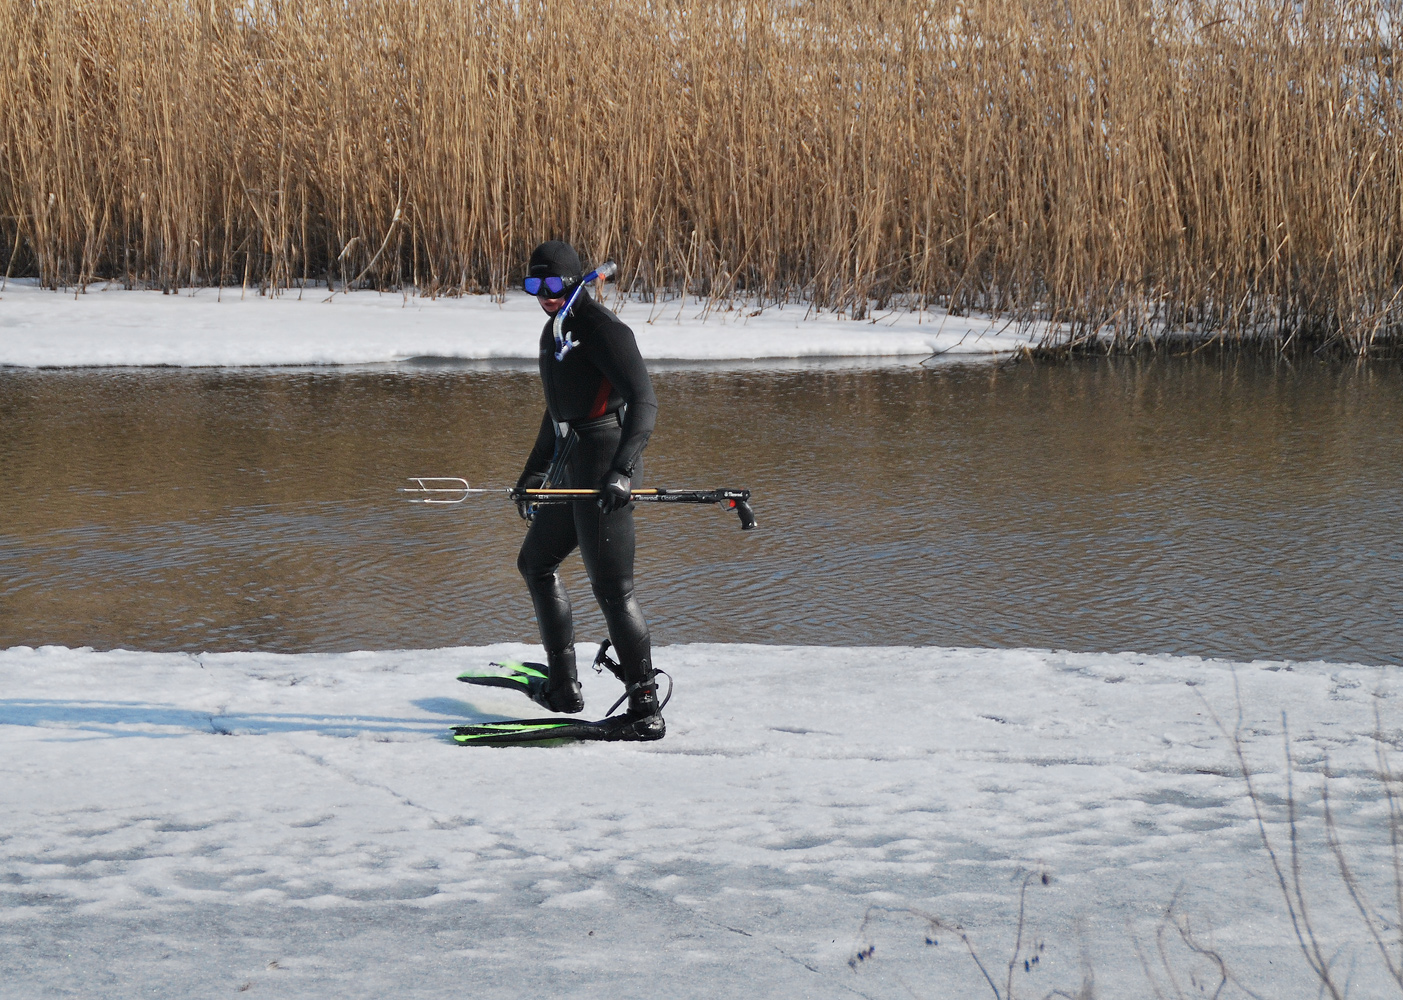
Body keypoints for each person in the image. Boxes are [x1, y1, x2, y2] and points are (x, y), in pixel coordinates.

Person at [514, 240, 664, 740]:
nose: (544, 295)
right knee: (535, 563)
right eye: (533, 285)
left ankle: (646, 708)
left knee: (613, 590)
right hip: (573, 462)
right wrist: (533, 474)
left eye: (553, 284)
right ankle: (563, 688)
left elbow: (644, 403)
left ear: (577, 281)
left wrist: (621, 471)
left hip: (606, 466)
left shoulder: (604, 330)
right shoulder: (555, 329)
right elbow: (558, 408)